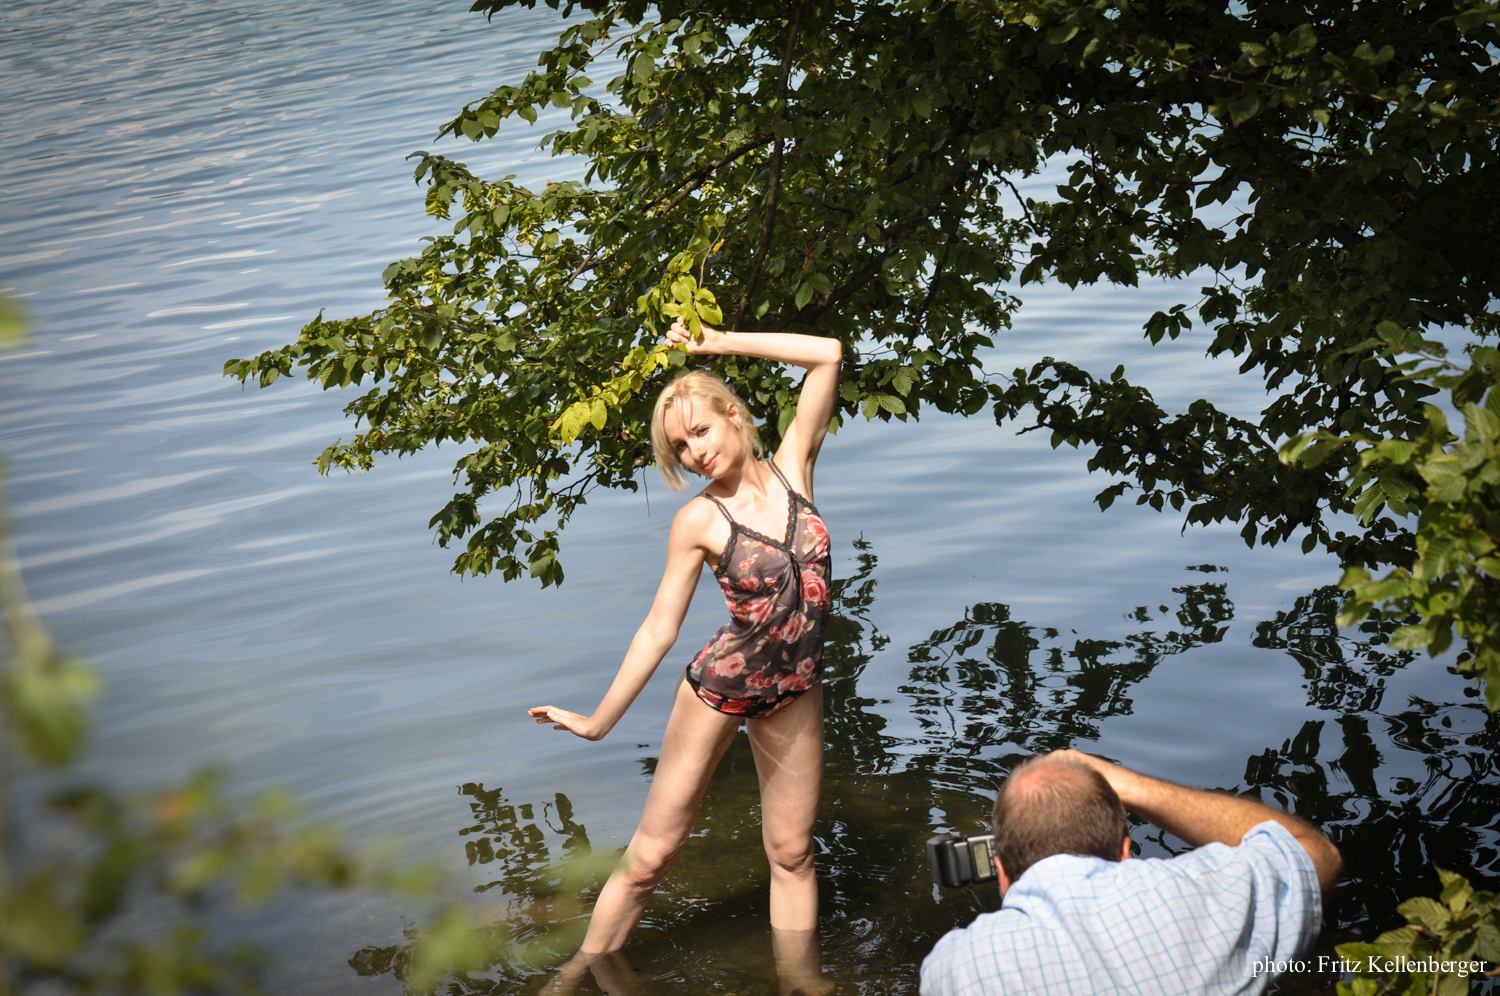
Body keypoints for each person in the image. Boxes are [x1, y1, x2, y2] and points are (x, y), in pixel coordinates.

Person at [527, 318, 841, 987]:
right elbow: (658, 630)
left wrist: (717, 342)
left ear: (734, 416)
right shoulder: (699, 519)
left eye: (700, 431)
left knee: (792, 855)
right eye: (679, 445)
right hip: (719, 691)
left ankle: (799, 982)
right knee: (652, 856)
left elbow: (827, 355)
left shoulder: (795, 469)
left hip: (795, 688)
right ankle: (577, 972)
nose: (694, 451)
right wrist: (598, 722)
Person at [920, 749, 1343, 996]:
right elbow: (1318, 855)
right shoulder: (1203, 896)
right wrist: (1128, 786)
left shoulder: (955, 970)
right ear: (1126, 852)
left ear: (1000, 873)